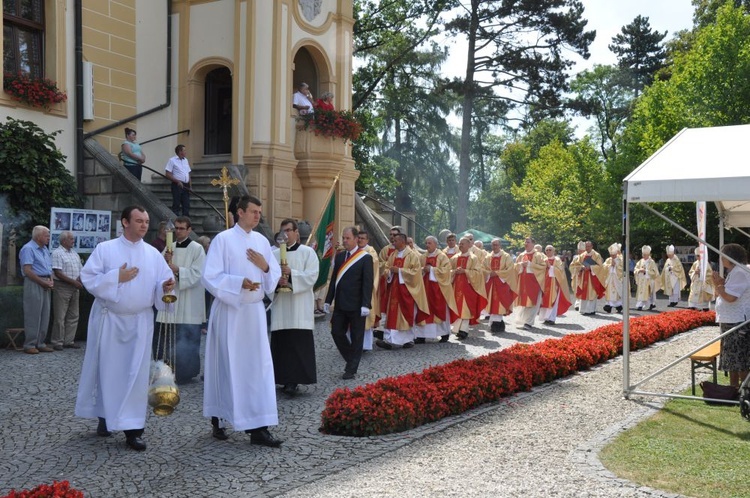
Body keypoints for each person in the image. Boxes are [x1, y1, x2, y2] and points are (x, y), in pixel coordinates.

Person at [75, 206, 175, 451]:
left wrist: (168, 287)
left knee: (136, 375)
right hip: (110, 320)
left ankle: (134, 430)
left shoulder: (153, 254)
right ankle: (105, 417)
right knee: (108, 371)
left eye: (146, 221)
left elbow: (163, 287)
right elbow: (87, 278)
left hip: (140, 322)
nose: (144, 225)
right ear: (124, 222)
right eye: (139, 220)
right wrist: (115, 277)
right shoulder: (105, 249)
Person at [201, 195, 283, 446]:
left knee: (257, 368)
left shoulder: (261, 241)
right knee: (228, 365)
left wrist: (266, 267)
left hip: (254, 313)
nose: (258, 216)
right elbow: (210, 276)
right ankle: (220, 417)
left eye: (259, 211)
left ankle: (259, 428)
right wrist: (238, 283)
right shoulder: (223, 240)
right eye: (253, 211)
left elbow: (274, 276)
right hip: (230, 312)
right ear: (239, 212)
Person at [269, 219, 320, 396]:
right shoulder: (273, 254)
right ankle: (281, 378)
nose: (285, 234)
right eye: (282, 231)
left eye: (289, 230)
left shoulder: (307, 253)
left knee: (298, 345)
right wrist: (277, 283)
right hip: (281, 307)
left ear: (296, 232)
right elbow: (266, 278)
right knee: (282, 344)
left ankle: (295, 380)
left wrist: (291, 276)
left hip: (299, 308)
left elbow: (312, 276)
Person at [155, 216, 206, 384]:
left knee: (187, 337)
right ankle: (165, 370)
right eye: (176, 228)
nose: (178, 231)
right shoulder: (169, 249)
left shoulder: (197, 249)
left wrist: (177, 270)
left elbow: (198, 274)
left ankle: (185, 373)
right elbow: (158, 271)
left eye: (182, 228)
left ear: (189, 230)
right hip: (172, 300)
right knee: (166, 337)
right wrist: (165, 263)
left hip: (189, 302)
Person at [324, 227, 374, 380]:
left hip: (357, 305)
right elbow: (334, 280)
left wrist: (366, 304)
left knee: (357, 337)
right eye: (343, 238)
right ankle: (352, 358)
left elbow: (367, 282)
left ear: (355, 239)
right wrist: (328, 300)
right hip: (340, 304)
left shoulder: (365, 258)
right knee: (336, 332)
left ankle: (351, 369)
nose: (344, 241)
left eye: (347, 238)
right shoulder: (339, 257)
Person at [377, 233, 429, 349]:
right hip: (393, 291)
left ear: (402, 242)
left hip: (407, 291)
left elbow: (416, 273)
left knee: (406, 315)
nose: (393, 243)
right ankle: (389, 340)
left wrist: (399, 271)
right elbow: (386, 269)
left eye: (395, 241)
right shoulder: (393, 255)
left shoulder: (412, 255)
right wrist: (389, 272)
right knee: (392, 314)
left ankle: (408, 340)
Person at [711, 243, 750, 388]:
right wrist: (720, 284)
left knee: (739, 360)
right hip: (732, 320)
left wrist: (719, 285)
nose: (721, 258)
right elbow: (724, 293)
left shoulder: (740, 272)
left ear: (730, 257)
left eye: (723, 255)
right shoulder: (736, 271)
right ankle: (735, 389)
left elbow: (730, 297)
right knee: (734, 360)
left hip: (737, 322)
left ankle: (743, 390)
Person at [20, 226, 55, 354]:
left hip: (45, 281)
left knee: (45, 314)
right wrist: (43, 282)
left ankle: (40, 343)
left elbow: (49, 267)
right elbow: (27, 270)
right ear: (38, 236)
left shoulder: (45, 249)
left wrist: (50, 280)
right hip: (35, 282)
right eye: (46, 235)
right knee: (33, 314)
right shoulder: (28, 249)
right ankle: (29, 344)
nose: (49, 238)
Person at [415, 236, 456, 343]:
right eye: (426, 243)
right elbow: (416, 270)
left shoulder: (442, 256)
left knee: (439, 309)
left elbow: (447, 271)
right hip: (425, 288)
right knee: (423, 309)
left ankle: (443, 333)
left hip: (439, 288)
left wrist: (432, 270)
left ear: (435, 244)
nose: (427, 245)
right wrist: (423, 270)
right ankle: (421, 335)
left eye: (429, 243)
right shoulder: (423, 257)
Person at [449, 236, 487, 339]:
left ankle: (463, 330)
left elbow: (478, 273)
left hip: (468, 288)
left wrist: (465, 271)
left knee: (466, 309)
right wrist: (454, 272)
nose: (460, 245)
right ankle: (458, 329)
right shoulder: (454, 258)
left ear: (469, 245)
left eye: (463, 243)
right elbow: (448, 270)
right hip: (456, 287)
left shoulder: (473, 258)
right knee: (457, 308)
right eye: (460, 243)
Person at [51, 231, 83, 350]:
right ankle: (57, 342)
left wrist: (79, 280)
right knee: (60, 316)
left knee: (74, 315)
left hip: (75, 287)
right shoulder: (57, 253)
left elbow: (81, 270)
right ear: (64, 240)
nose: (73, 241)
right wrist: (75, 282)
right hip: (62, 287)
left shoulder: (75, 254)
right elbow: (58, 272)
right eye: (71, 239)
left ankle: (69, 341)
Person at [483, 238, 517, 333]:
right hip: (491, 283)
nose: (494, 247)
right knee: (492, 303)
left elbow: (510, 269)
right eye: (493, 245)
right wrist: (489, 273)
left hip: (502, 283)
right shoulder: (488, 257)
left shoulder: (506, 256)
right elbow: (483, 268)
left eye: (496, 245)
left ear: (500, 245)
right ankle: (498, 324)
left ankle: (497, 324)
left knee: (500, 303)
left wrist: (497, 273)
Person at [514, 237, 546, 329]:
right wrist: (520, 265)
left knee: (532, 301)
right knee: (523, 302)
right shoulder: (521, 255)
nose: (525, 243)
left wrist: (530, 265)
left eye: (528, 242)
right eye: (525, 241)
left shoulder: (539, 255)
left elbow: (543, 267)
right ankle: (521, 321)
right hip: (523, 281)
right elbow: (515, 266)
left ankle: (528, 322)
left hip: (534, 282)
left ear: (533, 243)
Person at [568, 241, 606, 316]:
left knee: (592, 292)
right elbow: (575, 265)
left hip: (592, 277)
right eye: (586, 246)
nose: (587, 248)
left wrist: (591, 267)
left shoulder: (596, 255)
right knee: (584, 292)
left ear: (592, 246)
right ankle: (583, 309)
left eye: (589, 246)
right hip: (583, 277)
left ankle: (591, 310)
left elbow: (600, 266)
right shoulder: (582, 255)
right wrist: (581, 267)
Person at [356, 230, 379, 350]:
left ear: (367, 240)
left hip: (366, 287)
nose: (360, 240)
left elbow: (374, 264)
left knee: (365, 316)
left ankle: (365, 344)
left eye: (362, 238)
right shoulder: (354, 250)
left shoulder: (371, 251)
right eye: (358, 238)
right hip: (354, 289)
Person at [538, 245, 572, 325]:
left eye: (550, 250)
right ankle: (545, 318)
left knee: (553, 300)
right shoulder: (543, 259)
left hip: (554, 283)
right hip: (545, 283)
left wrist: (550, 267)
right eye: (546, 250)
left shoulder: (557, 259)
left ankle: (551, 319)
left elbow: (560, 271)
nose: (548, 251)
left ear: (553, 251)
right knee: (544, 300)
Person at [165, 144, 192, 216]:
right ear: (180, 151)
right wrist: (177, 181)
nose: (186, 152)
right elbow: (167, 174)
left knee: (186, 204)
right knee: (176, 204)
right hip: (177, 185)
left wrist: (190, 186)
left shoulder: (186, 160)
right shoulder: (172, 160)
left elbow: (188, 173)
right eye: (184, 150)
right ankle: (175, 222)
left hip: (186, 185)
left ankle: (186, 223)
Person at [634, 245, 660, 311]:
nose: (644, 256)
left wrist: (646, 271)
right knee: (641, 293)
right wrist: (639, 270)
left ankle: (651, 304)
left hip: (649, 280)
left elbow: (655, 272)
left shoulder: (651, 262)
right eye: (643, 254)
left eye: (645, 254)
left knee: (649, 293)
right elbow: (635, 269)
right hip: (641, 280)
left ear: (648, 254)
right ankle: (640, 305)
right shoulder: (640, 261)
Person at [602, 243, 625, 314]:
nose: (612, 256)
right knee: (609, 292)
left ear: (616, 254)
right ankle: (608, 306)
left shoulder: (620, 260)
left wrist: (616, 266)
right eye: (611, 255)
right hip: (609, 279)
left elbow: (622, 269)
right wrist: (610, 266)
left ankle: (618, 306)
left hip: (616, 279)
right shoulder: (608, 260)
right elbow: (604, 267)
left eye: (614, 255)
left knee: (617, 293)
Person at [569, 241, 586, 311]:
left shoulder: (587, 257)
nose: (580, 252)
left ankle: (583, 304)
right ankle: (577, 304)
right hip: (577, 276)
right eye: (579, 250)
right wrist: (579, 268)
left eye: (582, 251)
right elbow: (571, 266)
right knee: (577, 289)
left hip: (585, 276)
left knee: (584, 289)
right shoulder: (576, 258)